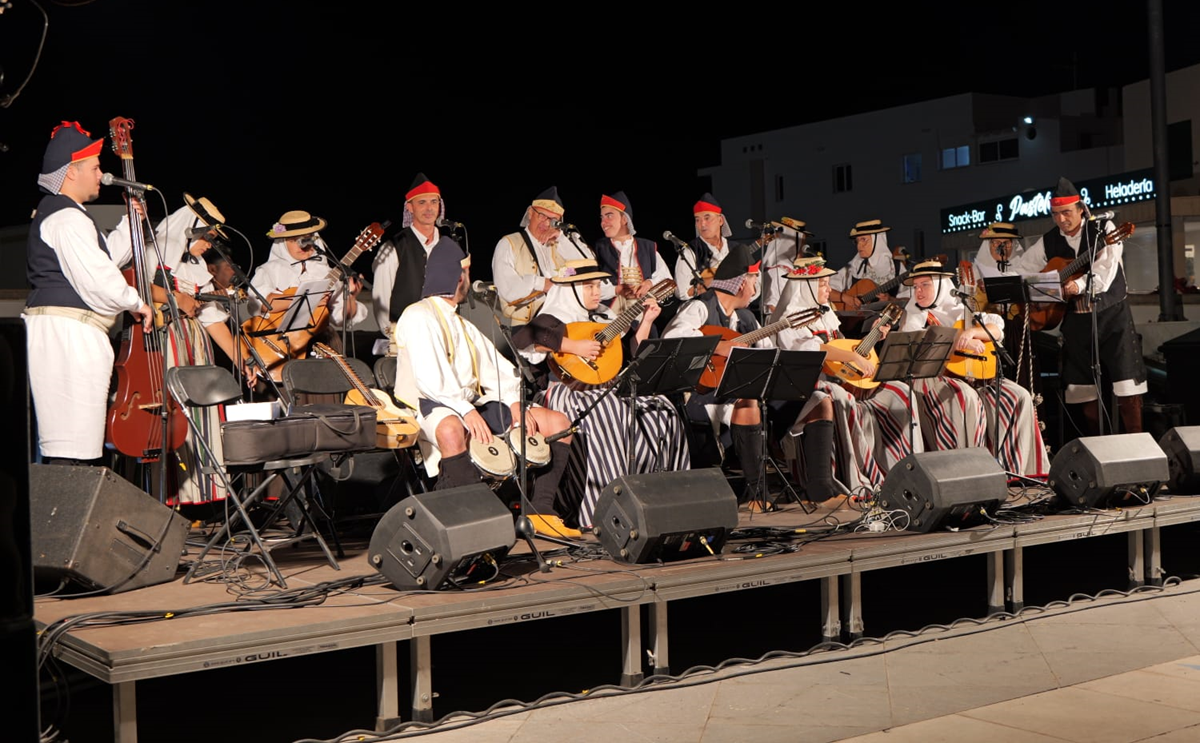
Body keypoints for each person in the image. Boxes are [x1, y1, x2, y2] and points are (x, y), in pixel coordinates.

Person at [395, 238, 578, 538]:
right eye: (465, 272)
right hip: (427, 404)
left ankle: (541, 511)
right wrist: (467, 412)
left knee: (558, 424)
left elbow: (498, 370)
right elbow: (430, 381)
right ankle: (479, 524)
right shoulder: (418, 315)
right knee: (452, 431)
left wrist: (515, 402)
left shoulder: (463, 325)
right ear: (457, 276)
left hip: (470, 404)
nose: (467, 278)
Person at [514, 258, 689, 529]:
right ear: (570, 289)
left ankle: (666, 498)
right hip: (569, 393)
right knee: (605, 417)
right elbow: (524, 342)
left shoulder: (604, 318)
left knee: (662, 409)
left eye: (597, 285)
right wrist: (574, 346)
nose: (597, 292)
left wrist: (647, 320)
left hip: (608, 389)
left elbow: (633, 355)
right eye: (589, 286)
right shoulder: (552, 318)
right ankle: (605, 510)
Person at [23, 121, 153, 465]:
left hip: (71, 334)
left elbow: (101, 260)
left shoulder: (70, 216)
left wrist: (131, 224)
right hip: (68, 336)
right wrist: (138, 303)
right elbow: (98, 279)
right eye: (95, 167)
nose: (101, 174)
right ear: (71, 173)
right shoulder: (66, 217)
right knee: (71, 445)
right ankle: (65, 515)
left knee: (76, 441)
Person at [772, 256, 921, 502]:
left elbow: (842, 349)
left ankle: (900, 471)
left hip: (839, 379)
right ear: (805, 287)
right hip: (808, 386)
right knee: (840, 397)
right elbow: (814, 351)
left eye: (828, 283)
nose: (829, 290)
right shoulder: (790, 319)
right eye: (822, 285)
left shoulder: (826, 312)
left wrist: (874, 338)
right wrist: (852, 354)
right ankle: (854, 480)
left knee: (900, 393)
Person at [1009, 177, 1148, 437]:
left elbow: (1105, 270)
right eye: (1055, 214)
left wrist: (1079, 286)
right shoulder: (1048, 241)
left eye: (1066, 213)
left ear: (1081, 209)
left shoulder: (1103, 228)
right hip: (1075, 320)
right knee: (1081, 388)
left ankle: (1137, 446)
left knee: (1126, 382)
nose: (1061, 220)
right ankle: (1097, 446)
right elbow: (1022, 269)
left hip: (1111, 315)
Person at [899, 260, 1048, 477]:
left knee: (1018, 396)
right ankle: (970, 473)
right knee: (966, 398)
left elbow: (997, 328)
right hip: (933, 378)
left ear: (942, 286)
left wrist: (971, 334)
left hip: (974, 376)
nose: (919, 291)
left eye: (925, 285)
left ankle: (1020, 472)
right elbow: (918, 346)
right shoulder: (914, 315)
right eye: (916, 286)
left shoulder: (962, 309)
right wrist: (958, 338)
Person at [662, 243, 771, 511]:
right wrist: (720, 346)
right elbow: (672, 339)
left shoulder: (745, 318)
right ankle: (756, 492)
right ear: (741, 284)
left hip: (737, 390)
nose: (755, 290)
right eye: (753, 281)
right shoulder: (699, 308)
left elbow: (768, 354)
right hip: (700, 393)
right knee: (748, 403)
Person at [247, 209, 368, 379]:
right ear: (282, 242)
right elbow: (261, 304)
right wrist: (308, 299)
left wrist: (352, 297)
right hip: (281, 345)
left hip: (323, 344)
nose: (301, 244)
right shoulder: (269, 270)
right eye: (294, 240)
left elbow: (340, 317)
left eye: (306, 238)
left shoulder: (327, 272)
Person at [370, 173, 451, 354]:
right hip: (403, 341)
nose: (429, 208)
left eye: (434, 202)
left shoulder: (448, 246)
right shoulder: (395, 248)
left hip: (440, 339)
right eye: (422, 202)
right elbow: (381, 299)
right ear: (410, 207)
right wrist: (394, 337)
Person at [492, 186, 593, 325]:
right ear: (530, 213)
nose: (546, 223)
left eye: (553, 220)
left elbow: (590, 268)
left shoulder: (562, 242)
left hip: (568, 319)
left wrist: (562, 238)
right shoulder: (509, 244)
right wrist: (542, 283)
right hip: (530, 327)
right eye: (542, 216)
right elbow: (507, 289)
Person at [592, 191, 671, 315]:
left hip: (642, 315)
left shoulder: (647, 247)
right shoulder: (598, 249)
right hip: (609, 317)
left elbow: (667, 280)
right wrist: (616, 290)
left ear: (624, 219)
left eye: (609, 216)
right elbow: (589, 287)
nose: (603, 222)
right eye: (602, 217)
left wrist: (649, 283)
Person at [672, 193, 757, 303]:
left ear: (720, 220)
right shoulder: (690, 252)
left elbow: (756, 287)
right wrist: (719, 279)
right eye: (697, 219)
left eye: (707, 218)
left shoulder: (737, 249)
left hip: (737, 310)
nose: (702, 224)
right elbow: (681, 292)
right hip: (706, 312)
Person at [829, 219, 908, 312]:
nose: (859, 246)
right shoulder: (853, 267)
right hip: (856, 322)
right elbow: (826, 291)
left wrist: (891, 300)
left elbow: (910, 300)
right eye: (857, 241)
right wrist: (847, 298)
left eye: (863, 240)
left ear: (877, 241)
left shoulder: (897, 268)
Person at [760, 217, 811, 316]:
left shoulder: (788, 268)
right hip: (780, 325)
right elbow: (772, 306)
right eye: (801, 244)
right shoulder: (778, 271)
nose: (803, 249)